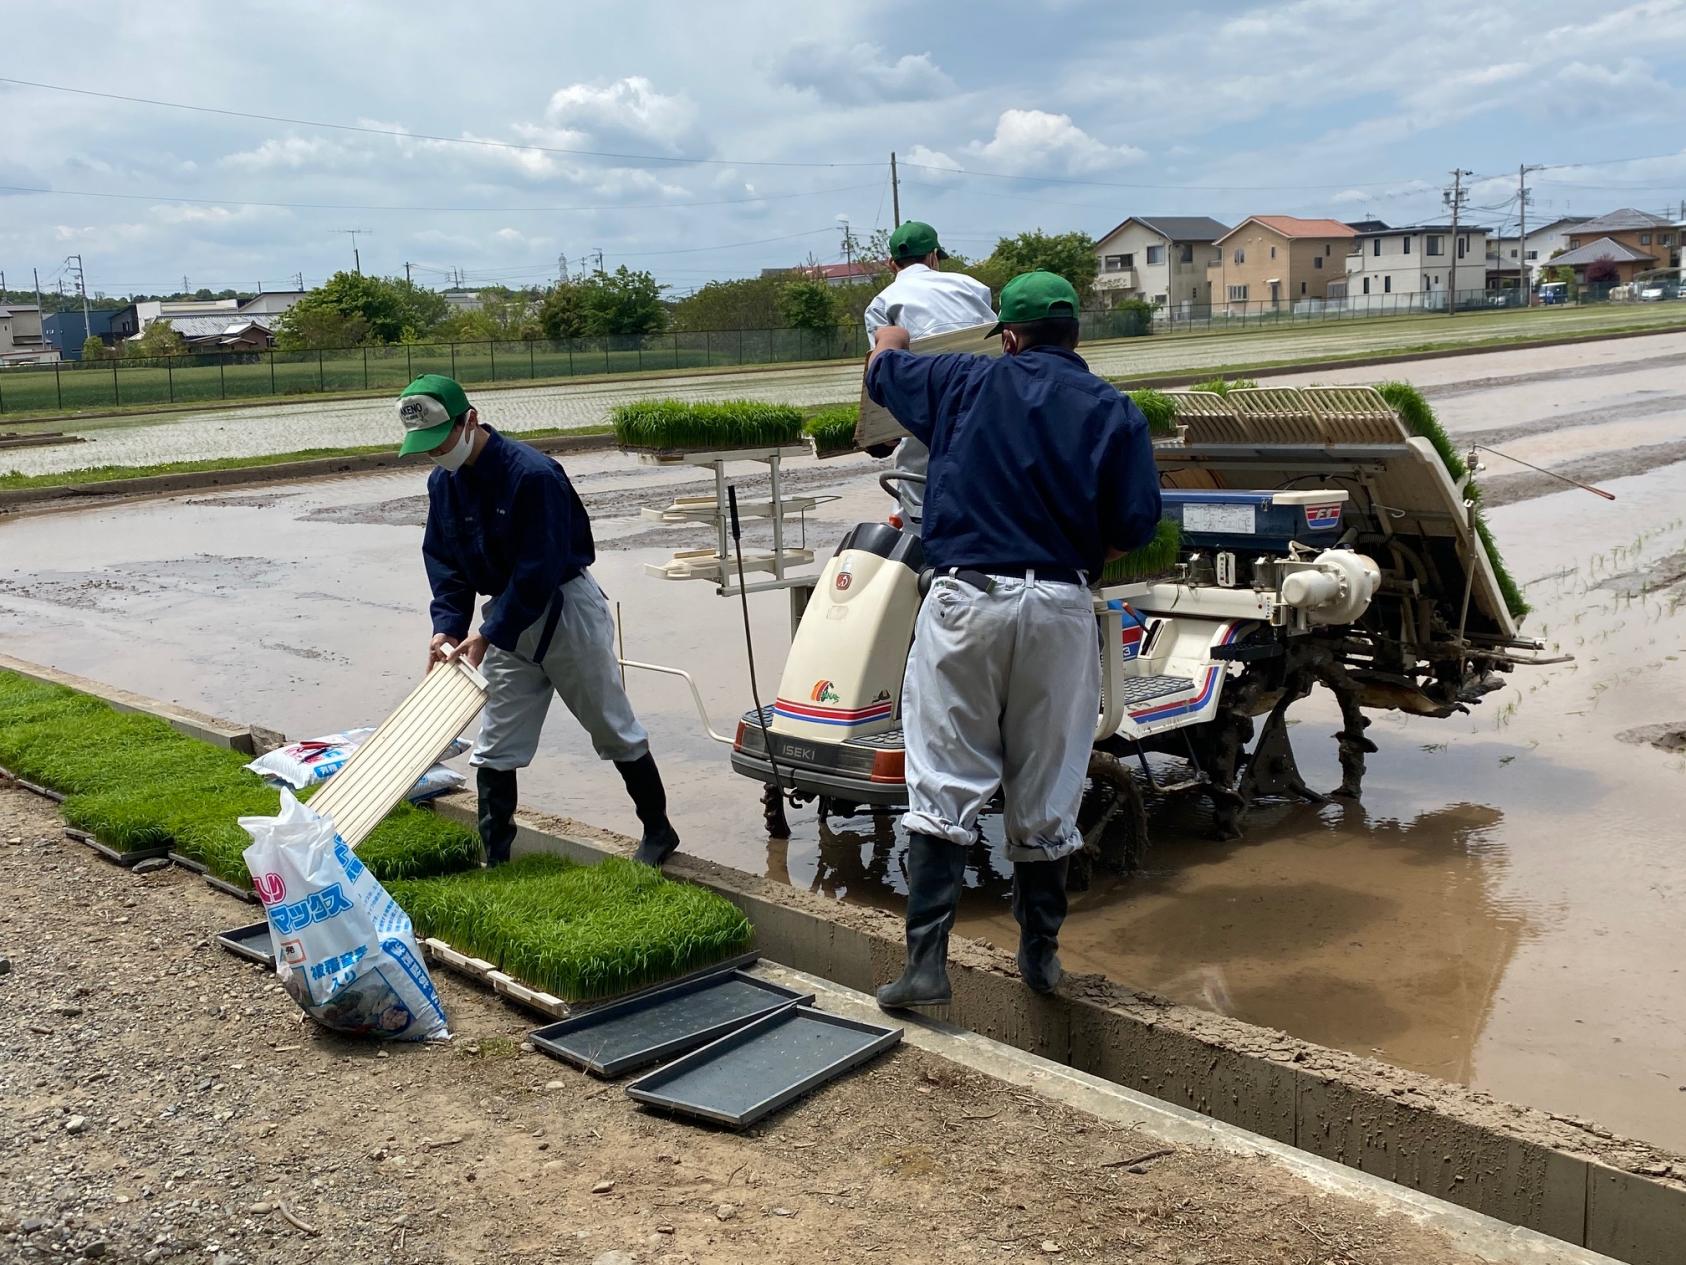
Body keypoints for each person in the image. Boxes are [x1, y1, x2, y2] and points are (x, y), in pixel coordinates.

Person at [863, 271, 1163, 1007]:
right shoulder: (1114, 412)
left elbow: (884, 371)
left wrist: (889, 336)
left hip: (968, 596)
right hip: (1061, 603)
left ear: (1008, 335)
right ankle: (1041, 960)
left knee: (943, 775)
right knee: (1049, 780)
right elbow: (1132, 529)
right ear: (1076, 336)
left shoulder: (963, 381)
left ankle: (927, 966)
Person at [395, 374, 681, 869]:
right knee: (497, 742)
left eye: (440, 441)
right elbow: (445, 561)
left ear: (470, 421)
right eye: (425, 448)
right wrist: (449, 627)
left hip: (565, 609)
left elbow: (540, 566)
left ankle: (658, 831)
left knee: (610, 724)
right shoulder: (443, 482)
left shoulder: (533, 475)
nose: (435, 453)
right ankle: (495, 858)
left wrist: (489, 632)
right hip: (504, 619)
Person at [862, 220, 997, 535]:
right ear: (934, 257)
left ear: (892, 264)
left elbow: (887, 374)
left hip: (927, 428)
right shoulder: (973, 287)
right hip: (986, 414)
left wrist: (882, 436)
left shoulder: (883, 303)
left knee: (921, 521)